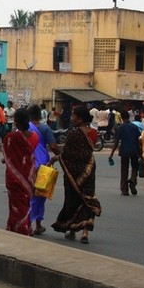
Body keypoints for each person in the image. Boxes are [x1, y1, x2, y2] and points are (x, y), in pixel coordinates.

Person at [51, 104, 101, 244]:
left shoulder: (74, 134)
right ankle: (84, 232)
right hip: (89, 170)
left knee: (73, 199)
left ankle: (72, 229)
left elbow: (66, 155)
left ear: (80, 119)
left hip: (74, 173)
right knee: (87, 199)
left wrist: (55, 158)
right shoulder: (93, 133)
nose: (72, 118)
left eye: (74, 116)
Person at [1, 109, 38, 236]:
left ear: (15, 121)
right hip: (28, 176)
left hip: (14, 177)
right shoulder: (34, 136)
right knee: (26, 203)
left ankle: (17, 228)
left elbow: (7, 157)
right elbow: (29, 155)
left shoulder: (10, 138)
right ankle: (26, 226)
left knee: (15, 204)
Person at [29, 104, 61, 235]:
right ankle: (38, 225)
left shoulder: (24, 129)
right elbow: (53, 146)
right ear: (40, 115)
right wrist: (58, 156)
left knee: (29, 194)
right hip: (43, 165)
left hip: (29, 165)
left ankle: (27, 223)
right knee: (40, 195)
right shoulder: (45, 128)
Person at [108, 110, 142, 196]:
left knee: (124, 170)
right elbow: (138, 141)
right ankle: (133, 180)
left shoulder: (120, 128)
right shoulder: (134, 127)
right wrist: (140, 153)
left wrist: (111, 154)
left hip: (124, 151)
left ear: (121, 118)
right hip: (134, 150)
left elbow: (116, 142)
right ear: (129, 117)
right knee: (135, 167)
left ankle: (124, 190)